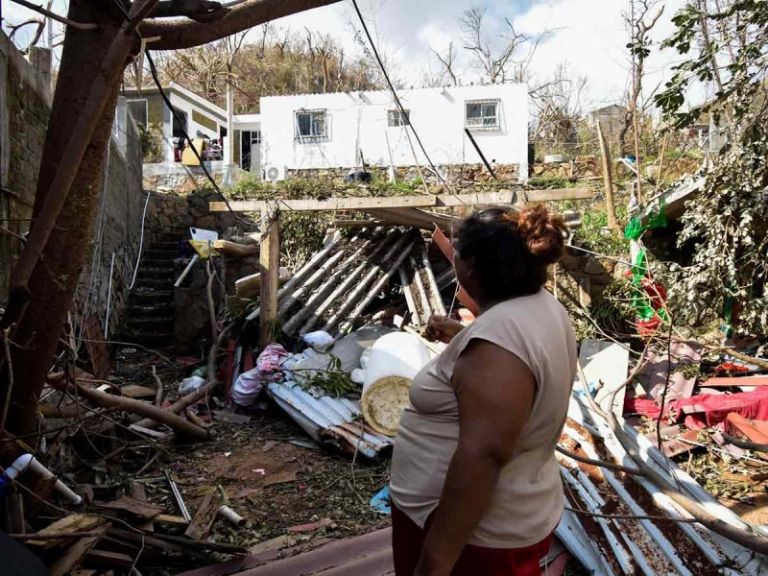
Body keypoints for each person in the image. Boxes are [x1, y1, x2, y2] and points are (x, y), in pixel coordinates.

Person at [390, 205, 577, 576]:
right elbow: (520, 369)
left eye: (457, 251)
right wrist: (465, 339)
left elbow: (484, 456)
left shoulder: (498, 341)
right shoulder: (541, 309)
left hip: (468, 539)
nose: (452, 257)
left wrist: (436, 561)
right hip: (505, 517)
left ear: (471, 265)